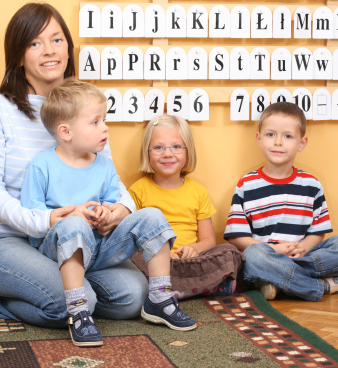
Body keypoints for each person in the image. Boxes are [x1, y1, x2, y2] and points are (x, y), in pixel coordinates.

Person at [0, 3, 193, 333]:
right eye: (34, 43)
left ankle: (70, 283)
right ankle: (25, 298)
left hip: (82, 235)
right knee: (78, 303)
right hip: (14, 238)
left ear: (69, 47)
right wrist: (46, 220)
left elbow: (111, 178)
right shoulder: (4, 111)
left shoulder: (87, 107)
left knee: (133, 296)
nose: (49, 51)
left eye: (57, 40)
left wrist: (119, 209)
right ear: (19, 56)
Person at [21, 79, 196, 346]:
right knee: (74, 226)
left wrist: (108, 212)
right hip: (54, 251)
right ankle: (78, 311)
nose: (105, 128)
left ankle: (159, 298)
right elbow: (34, 220)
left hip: (99, 246)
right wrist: (71, 217)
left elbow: (115, 201)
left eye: (104, 119)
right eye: (95, 122)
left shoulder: (103, 165)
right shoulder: (41, 166)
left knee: (152, 215)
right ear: (66, 132)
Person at [224, 101, 338, 301]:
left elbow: (318, 233)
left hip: (303, 254)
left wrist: (302, 248)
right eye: (270, 134)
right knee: (252, 257)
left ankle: (279, 280)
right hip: (265, 255)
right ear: (259, 139)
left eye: (287, 136)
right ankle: (319, 286)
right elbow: (237, 237)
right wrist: (275, 250)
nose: (278, 142)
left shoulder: (312, 185)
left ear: (301, 143)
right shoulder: (246, 184)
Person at [129, 114, 242, 299]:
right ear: (147, 152)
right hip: (155, 264)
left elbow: (209, 241)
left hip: (191, 262)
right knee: (132, 259)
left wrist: (195, 249)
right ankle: (199, 288)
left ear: (187, 151)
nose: (167, 153)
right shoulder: (137, 191)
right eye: (158, 147)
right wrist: (162, 255)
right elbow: (132, 243)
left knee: (230, 252)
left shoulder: (197, 191)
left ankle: (174, 290)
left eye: (176, 147)